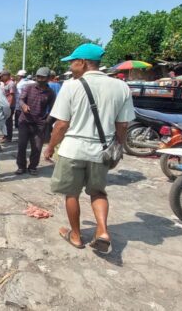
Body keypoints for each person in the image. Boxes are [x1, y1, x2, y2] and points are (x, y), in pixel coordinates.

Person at [44, 43, 134, 253]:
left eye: (72, 62)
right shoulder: (121, 87)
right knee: (98, 193)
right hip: (101, 150)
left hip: (73, 150)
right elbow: (123, 125)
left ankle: (76, 236)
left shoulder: (71, 86)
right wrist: (118, 147)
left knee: (71, 194)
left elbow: (61, 125)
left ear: (82, 62)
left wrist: (50, 147)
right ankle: (102, 231)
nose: (70, 67)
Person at [16, 67, 56, 176]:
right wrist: (24, 106)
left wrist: (47, 121)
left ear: (48, 78)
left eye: (42, 77)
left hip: (39, 123)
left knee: (37, 147)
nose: (39, 79)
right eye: (38, 76)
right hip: (25, 121)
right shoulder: (28, 88)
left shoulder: (50, 93)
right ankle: (21, 166)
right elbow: (20, 99)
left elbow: (53, 109)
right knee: (22, 145)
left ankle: (33, 167)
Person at [0, 70, 16, 142]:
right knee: (4, 122)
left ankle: (8, 138)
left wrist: (8, 107)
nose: (1, 77)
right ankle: (5, 136)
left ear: (6, 76)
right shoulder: (5, 84)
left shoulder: (11, 84)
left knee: (8, 122)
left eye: (2, 76)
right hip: (5, 105)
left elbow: (11, 96)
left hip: (9, 106)